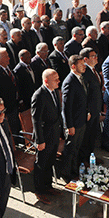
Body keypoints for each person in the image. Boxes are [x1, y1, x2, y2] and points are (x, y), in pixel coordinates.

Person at [31, 69, 63, 204]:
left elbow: (57, 112)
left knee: (50, 162)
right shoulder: (39, 95)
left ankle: (48, 186)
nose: (58, 81)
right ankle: (39, 191)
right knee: (41, 164)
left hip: (54, 134)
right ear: (46, 81)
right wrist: (40, 140)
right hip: (45, 136)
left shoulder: (54, 91)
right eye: (55, 79)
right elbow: (36, 120)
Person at [59, 55, 89, 182]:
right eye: (81, 64)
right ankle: (66, 173)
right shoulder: (69, 82)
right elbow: (66, 107)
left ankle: (74, 168)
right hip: (74, 123)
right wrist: (69, 125)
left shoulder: (80, 78)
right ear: (73, 66)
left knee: (77, 147)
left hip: (81, 119)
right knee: (70, 148)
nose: (84, 66)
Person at [78, 48, 104, 165]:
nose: (96, 57)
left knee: (93, 133)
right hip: (89, 110)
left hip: (96, 108)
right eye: (93, 56)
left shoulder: (94, 70)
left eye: (96, 55)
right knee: (87, 135)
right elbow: (85, 94)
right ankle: (84, 159)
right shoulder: (85, 73)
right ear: (85, 59)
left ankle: (91, 155)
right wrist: (88, 110)